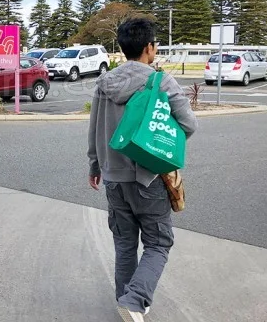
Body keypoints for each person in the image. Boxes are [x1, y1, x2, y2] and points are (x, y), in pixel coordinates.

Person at [87, 17, 198, 321]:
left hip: (113, 178)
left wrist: (95, 165)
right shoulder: (161, 82)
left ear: (123, 48)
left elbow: (95, 127)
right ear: (149, 47)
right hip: (149, 178)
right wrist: (160, 140)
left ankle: (127, 302)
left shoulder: (104, 83)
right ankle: (135, 300)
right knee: (158, 243)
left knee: (124, 244)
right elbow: (189, 125)